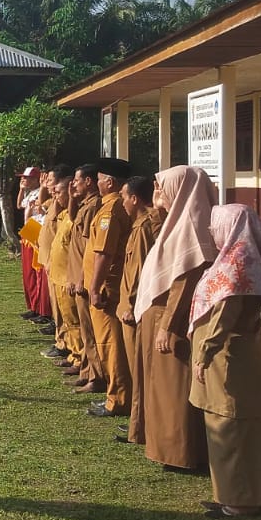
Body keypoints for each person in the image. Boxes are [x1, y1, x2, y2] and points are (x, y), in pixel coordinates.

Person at [191, 203, 261, 517]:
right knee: (244, 429)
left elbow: (223, 318)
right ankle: (243, 494)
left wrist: (203, 354)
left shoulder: (236, 267)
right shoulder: (243, 259)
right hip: (243, 355)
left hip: (230, 358)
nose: (210, 230)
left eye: (214, 225)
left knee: (231, 429)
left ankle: (240, 501)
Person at [135, 166, 216, 472]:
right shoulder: (177, 220)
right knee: (159, 387)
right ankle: (162, 446)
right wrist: (158, 206)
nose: (160, 193)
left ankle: (180, 453)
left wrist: (168, 325)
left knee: (174, 391)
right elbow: (159, 239)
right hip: (159, 314)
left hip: (175, 319)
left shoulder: (194, 226)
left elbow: (184, 282)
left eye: (164, 187)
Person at [83, 158, 133, 417]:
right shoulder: (111, 206)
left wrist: (94, 287)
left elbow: (104, 252)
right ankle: (117, 392)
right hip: (107, 285)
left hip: (107, 288)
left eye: (100, 178)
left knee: (112, 345)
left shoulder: (111, 210)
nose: (98, 182)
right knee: (110, 344)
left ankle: (119, 398)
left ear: (110, 182)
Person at [116, 173, 162, 444]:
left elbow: (139, 270)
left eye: (124, 197)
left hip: (135, 308)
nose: (122, 203)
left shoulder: (145, 228)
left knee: (140, 371)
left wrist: (130, 305)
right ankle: (140, 423)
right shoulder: (143, 224)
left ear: (135, 198)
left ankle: (142, 427)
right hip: (134, 305)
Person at [66, 164, 104, 394]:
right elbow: (73, 219)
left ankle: (96, 377)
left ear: (88, 181)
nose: (74, 185)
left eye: (77, 181)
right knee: (84, 329)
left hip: (84, 275)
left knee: (90, 331)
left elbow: (90, 247)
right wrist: (71, 197)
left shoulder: (94, 207)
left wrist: (80, 278)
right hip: (77, 273)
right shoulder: (84, 205)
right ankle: (87, 370)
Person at [43, 171, 83, 367]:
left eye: (59, 191)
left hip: (68, 276)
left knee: (74, 321)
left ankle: (78, 358)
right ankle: (72, 352)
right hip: (57, 275)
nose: (55, 194)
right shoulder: (64, 214)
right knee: (66, 319)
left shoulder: (75, 215)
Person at [17, 167, 53, 327]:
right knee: (29, 274)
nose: (23, 180)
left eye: (26, 178)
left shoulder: (41, 192)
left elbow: (41, 207)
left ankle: (42, 309)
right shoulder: (29, 193)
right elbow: (19, 206)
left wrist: (44, 188)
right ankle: (33, 306)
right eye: (22, 178)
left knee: (38, 274)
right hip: (29, 233)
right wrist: (20, 189)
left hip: (37, 233)